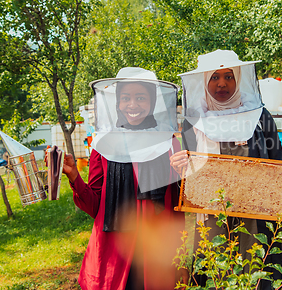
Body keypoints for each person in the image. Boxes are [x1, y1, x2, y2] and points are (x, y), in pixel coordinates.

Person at [170, 50, 282, 289]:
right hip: (213, 212)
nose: (222, 83)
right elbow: (192, 172)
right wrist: (180, 166)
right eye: (214, 77)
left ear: (239, 79)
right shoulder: (193, 120)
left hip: (257, 213)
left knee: (256, 271)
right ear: (203, 82)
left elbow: (277, 161)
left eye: (228, 76)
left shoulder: (260, 115)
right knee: (217, 272)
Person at [61, 67, 187, 290]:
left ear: (153, 102)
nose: (133, 104)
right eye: (126, 98)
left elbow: (179, 206)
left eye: (141, 97)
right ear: (117, 102)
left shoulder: (169, 143)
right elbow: (95, 206)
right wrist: (74, 177)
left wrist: (181, 257)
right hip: (114, 253)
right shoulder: (104, 145)